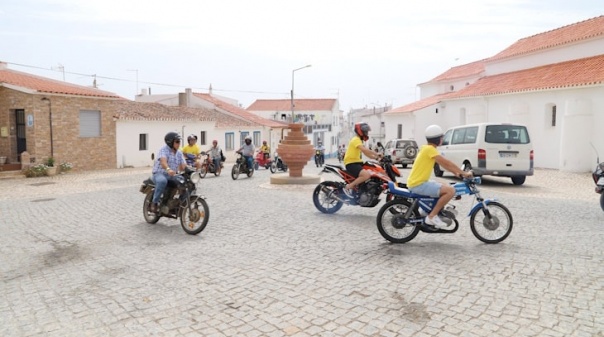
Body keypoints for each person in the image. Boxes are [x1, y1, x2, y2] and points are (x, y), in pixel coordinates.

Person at [406, 125, 473, 229]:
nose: (442, 139)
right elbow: (446, 163)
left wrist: (456, 172)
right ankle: (432, 216)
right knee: (450, 191)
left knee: (445, 185)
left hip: (418, 182)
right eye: (441, 137)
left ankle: (425, 210)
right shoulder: (430, 150)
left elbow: (446, 165)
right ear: (437, 139)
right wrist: (463, 173)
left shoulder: (426, 148)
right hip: (418, 184)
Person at [150, 132, 187, 213]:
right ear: (170, 142)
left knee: (186, 183)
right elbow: (163, 162)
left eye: (179, 142)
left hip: (172, 175)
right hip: (159, 173)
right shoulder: (163, 150)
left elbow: (183, 165)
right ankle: (154, 203)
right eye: (177, 142)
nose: (179, 144)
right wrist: (168, 169)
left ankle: (180, 204)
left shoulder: (179, 153)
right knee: (162, 181)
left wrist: (190, 169)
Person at [342, 122, 383, 196]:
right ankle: (349, 186)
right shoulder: (356, 140)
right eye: (365, 131)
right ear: (360, 131)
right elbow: (364, 150)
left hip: (357, 162)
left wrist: (377, 158)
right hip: (351, 163)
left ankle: (362, 190)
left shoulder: (359, 141)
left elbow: (366, 153)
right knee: (366, 175)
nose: (367, 133)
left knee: (372, 170)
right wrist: (376, 154)